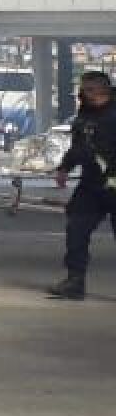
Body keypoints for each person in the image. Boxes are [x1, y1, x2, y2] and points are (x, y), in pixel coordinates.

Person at [48, 70, 116, 300]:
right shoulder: (85, 113)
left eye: (86, 90)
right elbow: (80, 145)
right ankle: (74, 281)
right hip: (91, 185)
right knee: (76, 229)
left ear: (100, 90)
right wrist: (65, 167)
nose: (81, 95)